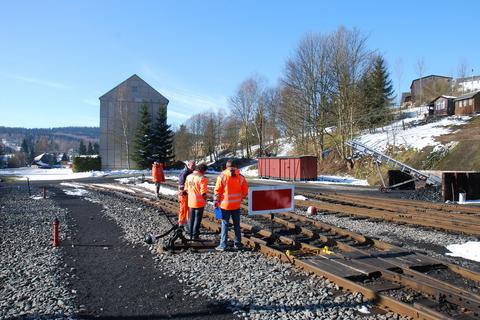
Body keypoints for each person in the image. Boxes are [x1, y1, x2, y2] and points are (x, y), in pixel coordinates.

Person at [214, 159, 248, 251]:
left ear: (226, 166)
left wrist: (216, 202)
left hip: (225, 205)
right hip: (236, 205)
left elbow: (217, 191)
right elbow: (245, 191)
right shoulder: (241, 177)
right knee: (236, 225)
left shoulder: (222, 176)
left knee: (225, 224)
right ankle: (237, 244)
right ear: (236, 166)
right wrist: (239, 198)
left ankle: (223, 245)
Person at [185, 163, 208, 239]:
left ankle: (190, 234)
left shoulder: (188, 177)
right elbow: (203, 192)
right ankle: (195, 235)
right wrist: (206, 199)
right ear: (203, 170)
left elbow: (186, 189)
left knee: (191, 218)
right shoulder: (202, 178)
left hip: (191, 201)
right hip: (199, 202)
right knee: (197, 219)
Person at [178, 160, 196, 228]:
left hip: (189, 193)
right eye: (192, 165)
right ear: (188, 165)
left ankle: (188, 222)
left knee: (189, 209)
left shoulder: (191, 172)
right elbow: (181, 185)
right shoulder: (184, 173)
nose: (194, 167)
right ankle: (181, 223)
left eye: (194, 165)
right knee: (183, 208)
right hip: (184, 194)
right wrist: (183, 192)